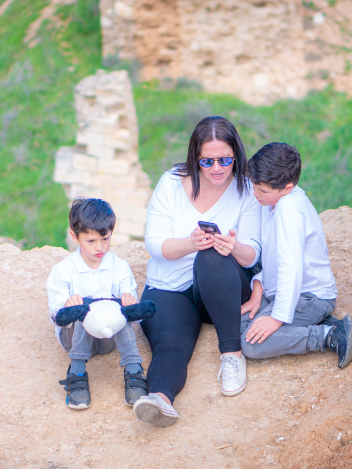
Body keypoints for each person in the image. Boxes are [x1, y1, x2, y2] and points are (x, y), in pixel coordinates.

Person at [132, 116, 262, 427]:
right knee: (170, 343)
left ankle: (232, 355)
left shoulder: (246, 188)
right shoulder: (172, 183)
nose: (217, 168)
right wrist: (190, 243)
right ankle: (160, 399)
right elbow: (154, 243)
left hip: (221, 282)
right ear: (195, 157)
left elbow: (254, 251)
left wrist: (232, 247)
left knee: (212, 256)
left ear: (236, 155)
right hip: (171, 286)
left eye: (225, 160)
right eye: (207, 161)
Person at [239, 142, 352, 368]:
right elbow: (273, 260)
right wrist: (258, 289)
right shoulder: (272, 203)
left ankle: (329, 335)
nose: (255, 194)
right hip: (284, 293)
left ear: (287, 187)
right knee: (239, 327)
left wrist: (276, 318)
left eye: (262, 190)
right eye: (254, 186)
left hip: (311, 296)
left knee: (251, 345)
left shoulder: (289, 209)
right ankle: (329, 325)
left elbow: (290, 267)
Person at [47, 197, 148, 409]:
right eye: (90, 241)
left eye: (105, 238)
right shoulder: (63, 270)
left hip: (109, 337)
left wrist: (127, 303)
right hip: (73, 338)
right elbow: (57, 316)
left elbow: (135, 315)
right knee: (88, 307)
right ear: (74, 236)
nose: (99, 247)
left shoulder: (119, 267)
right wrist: (69, 306)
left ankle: (133, 369)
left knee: (115, 307)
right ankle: (77, 372)